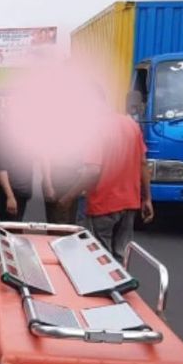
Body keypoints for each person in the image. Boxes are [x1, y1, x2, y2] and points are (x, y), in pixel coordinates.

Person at [57, 111, 154, 261]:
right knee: (121, 255)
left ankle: (108, 285)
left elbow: (92, 171)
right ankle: (122, 283)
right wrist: (147, 198)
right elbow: (143, 163)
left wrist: (69, 197)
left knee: (101, 259)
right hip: (129, 203)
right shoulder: (131, 125)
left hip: (103, 204)